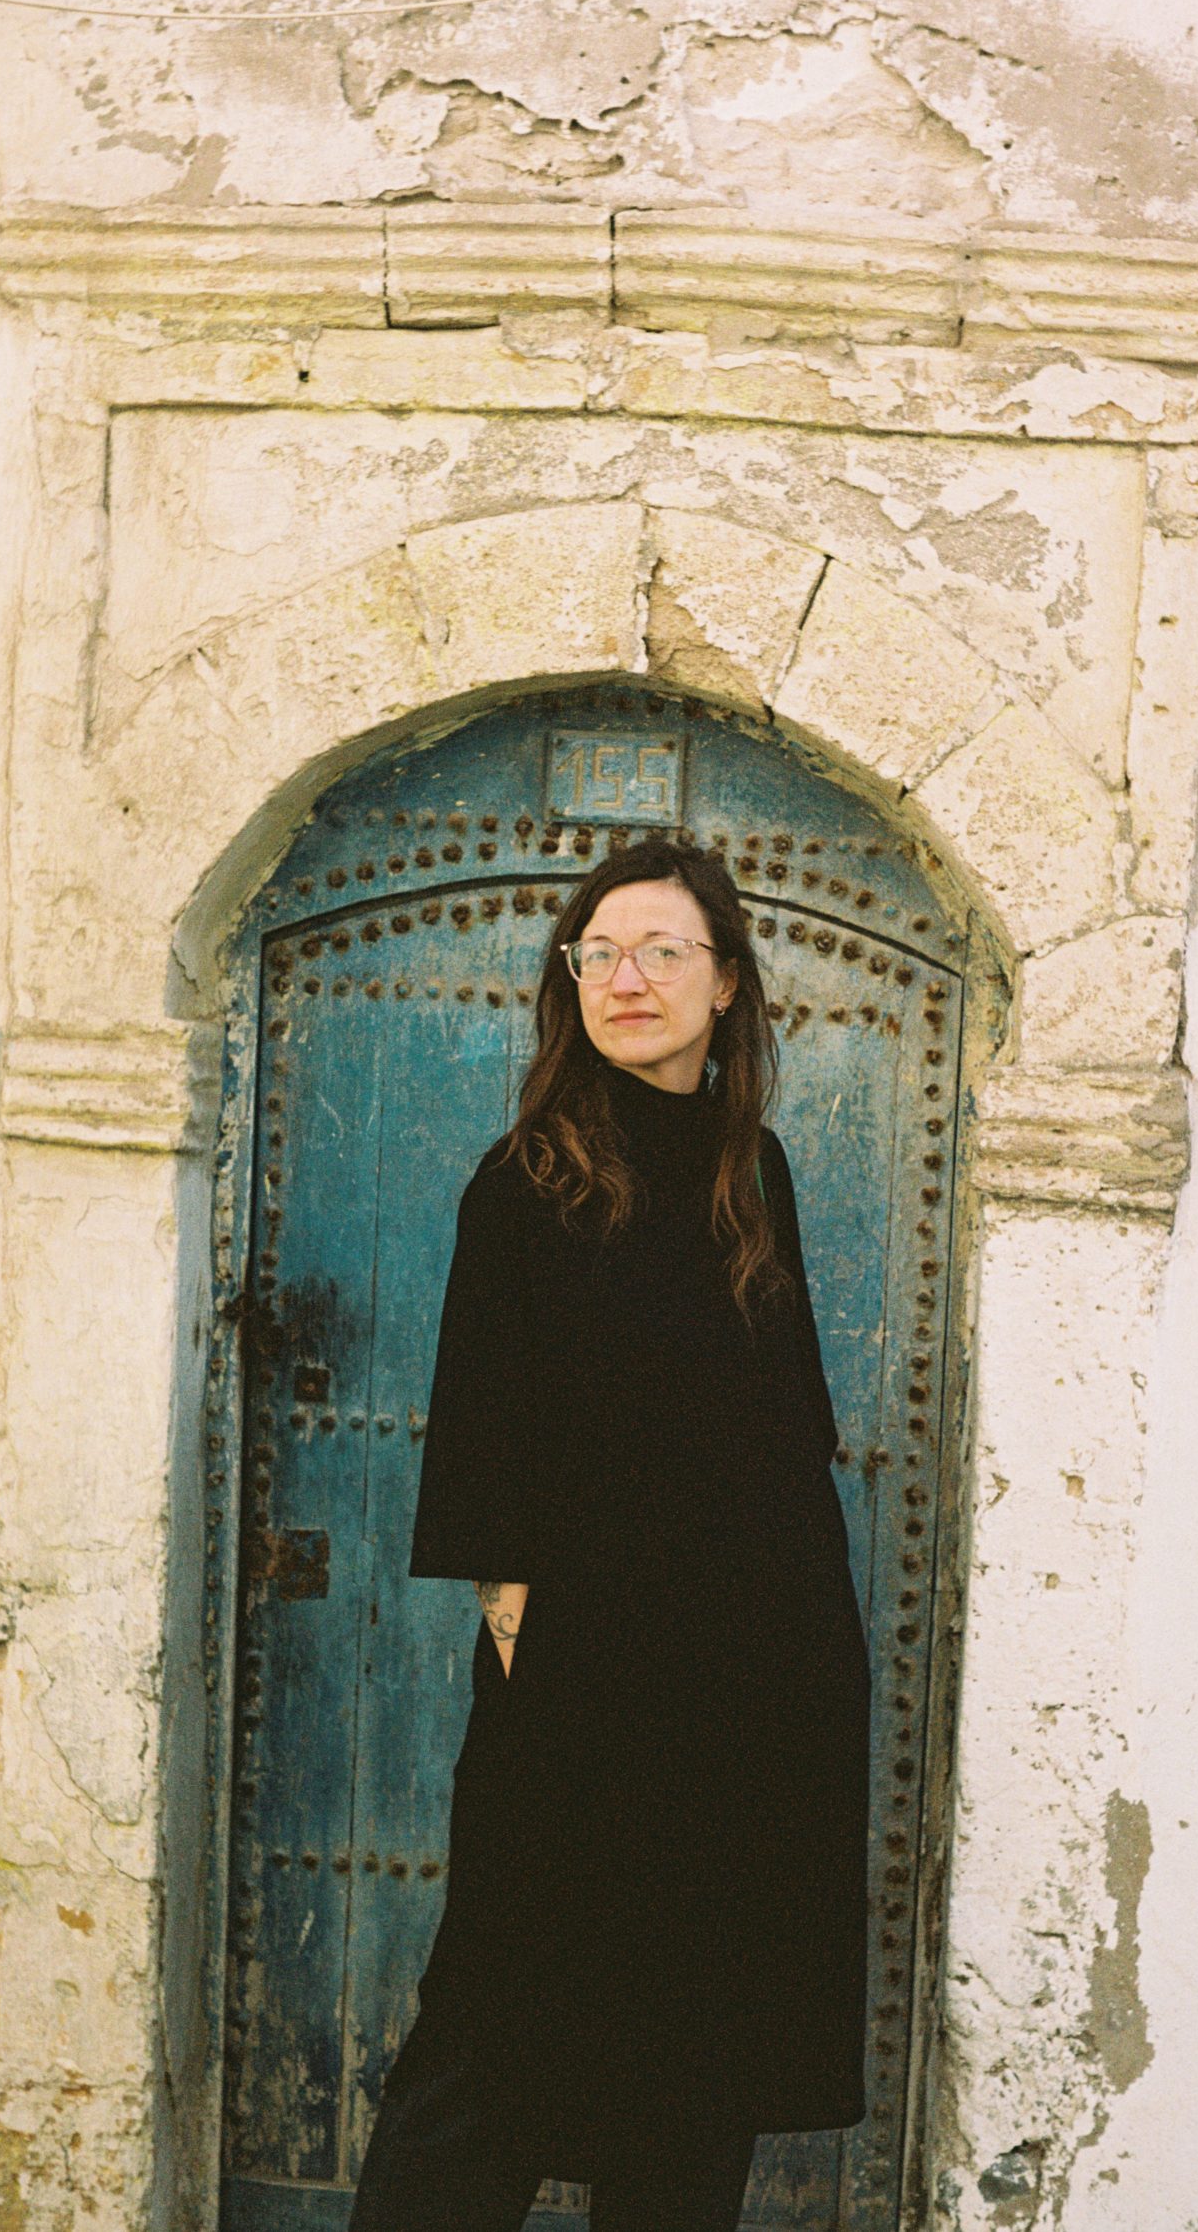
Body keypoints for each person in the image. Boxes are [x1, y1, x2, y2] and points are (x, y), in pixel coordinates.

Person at [350, 839, 872, 2232]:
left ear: (729, 984)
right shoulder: (523, 1181)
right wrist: (534, 1644)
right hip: (581, 1691)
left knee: (700, 2060)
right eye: (597, 953)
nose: (625, 978)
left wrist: (808, 1668)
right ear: (567, 981)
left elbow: (787, 1432)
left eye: (660, 952)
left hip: (754, 1690)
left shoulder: (754, 1170)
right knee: (489, 2042)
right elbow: (481, 1443)